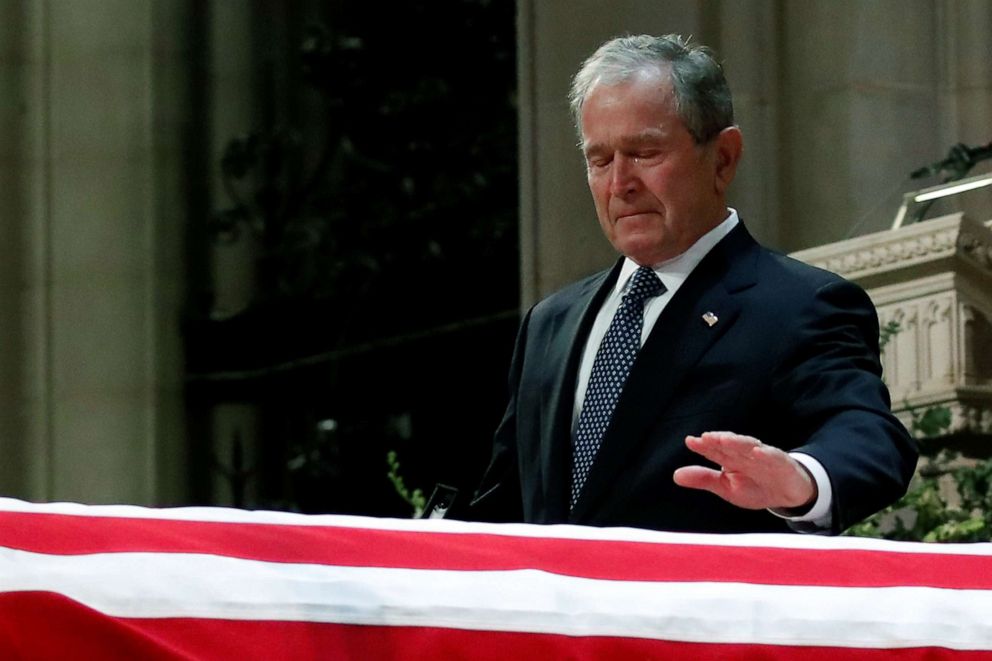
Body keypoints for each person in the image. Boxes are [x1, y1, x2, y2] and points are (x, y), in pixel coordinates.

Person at [469, 34, 917, 534]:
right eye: (600, 161)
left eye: (644, 152)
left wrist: (800, 479)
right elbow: (503, 506)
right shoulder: (550, 323)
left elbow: (868, 438)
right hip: (558, 611)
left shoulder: (801, 306)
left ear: (723, 158)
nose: (620, 184)